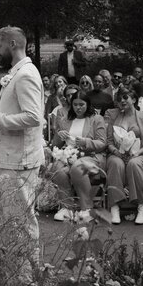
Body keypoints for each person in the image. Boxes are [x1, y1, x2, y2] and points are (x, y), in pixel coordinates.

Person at [0, 27, 45, 280]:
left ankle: (27, 279)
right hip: (12, 157)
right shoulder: (18, 73)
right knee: (13, 219)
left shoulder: (25, 74)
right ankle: (22, 273)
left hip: (20, 159)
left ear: (14, 43)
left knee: (22, 221)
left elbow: (33, 117)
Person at [50, 91, 107, 222]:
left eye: (81, 104)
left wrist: (86, 142)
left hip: (91, 156)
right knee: (57, 167)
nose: (78, 107)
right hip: (68, 155)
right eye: (75, 104)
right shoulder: (66, 120)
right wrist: (59, 135)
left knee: (77, 167)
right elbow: (56, 144)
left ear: (88, 104)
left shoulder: (96, 119)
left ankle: (87, 208)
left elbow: (102, 143)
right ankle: (66, 207)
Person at [104, 89, 143, 225]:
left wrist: (137, 153)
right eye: (119, 98)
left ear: (134, 100)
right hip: (117, 153)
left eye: (125, 97)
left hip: (142, 154)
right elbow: (108, 141)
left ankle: (142, 206)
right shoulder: (112, 115)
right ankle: (114, 206)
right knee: (115, 163)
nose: (122, 101)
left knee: (134, 163)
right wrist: (117, 153)